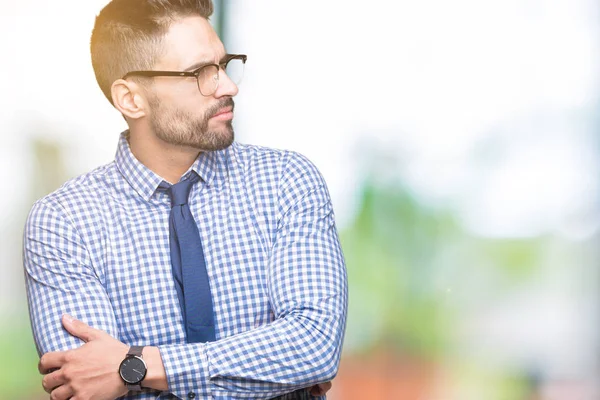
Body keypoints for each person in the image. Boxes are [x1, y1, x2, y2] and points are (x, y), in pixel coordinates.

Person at [22, 0, 348, 399]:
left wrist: (136, 367)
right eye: (199, 73)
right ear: (131, 99)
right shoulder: (63, 222)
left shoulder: (286, 181)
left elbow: (313, 347)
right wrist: (267, 371)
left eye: (224, 65)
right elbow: (88, 385)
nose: (228, 86)